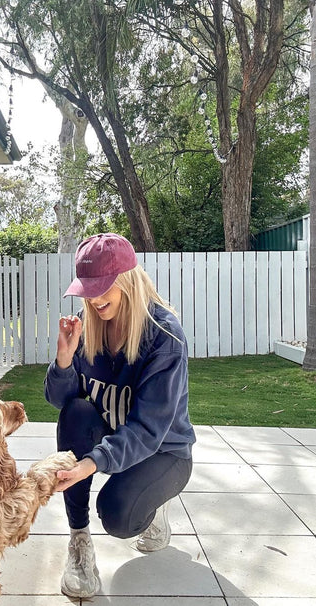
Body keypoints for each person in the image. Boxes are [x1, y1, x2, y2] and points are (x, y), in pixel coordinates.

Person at [44, 233, 196, 599]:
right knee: (76, 412)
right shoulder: (88, 324)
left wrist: (93, 462)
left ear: (127, 278)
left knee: (117, 515)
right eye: (87, 289)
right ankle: (79, 544)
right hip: (115, 435)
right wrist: (64, 359)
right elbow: (59, 401)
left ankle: (153, 504)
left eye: (102, 287)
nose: (94, 299)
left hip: (164, 451)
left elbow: (148, 429)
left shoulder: (163, 336)